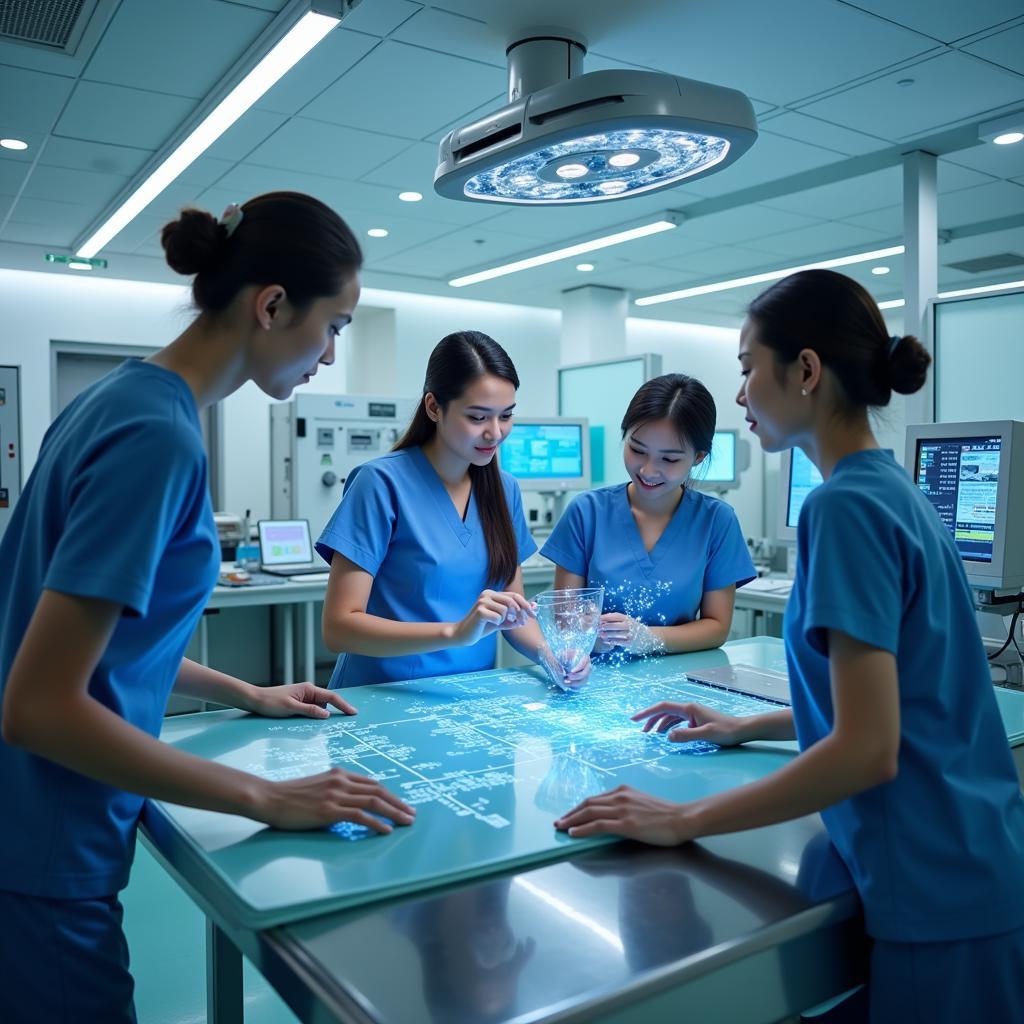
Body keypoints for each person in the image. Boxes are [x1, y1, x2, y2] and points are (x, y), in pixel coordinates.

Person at [555, 269, 1024, 1022]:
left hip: (934, 881)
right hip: (965, 860)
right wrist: (747, 725)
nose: (739, 394)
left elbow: (869, 749)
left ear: (804, 371)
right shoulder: (893, 490)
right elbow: (883, 704)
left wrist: (684, 821)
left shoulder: (842, 509)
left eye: (746, 368)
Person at [0, 192, 415, 1024]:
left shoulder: (114, 401)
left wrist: (247, 693)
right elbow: (40, 707)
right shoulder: (158, 439)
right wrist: (267, 798)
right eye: (334, 325)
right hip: (45, 842)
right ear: (271, 305)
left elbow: (101, 645)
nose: (332, 356)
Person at [318, 330, 589, 688]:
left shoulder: (504, 489)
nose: (495, 433)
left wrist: (552, 655)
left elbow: (515, 612)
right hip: (381, 697)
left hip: (468, 696)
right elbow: (339, 628)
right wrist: (455, 633)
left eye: (506, 416)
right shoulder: (380, 484)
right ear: (434, 407)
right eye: (478, 418)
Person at [541, 373, 755, 658]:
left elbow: (716, 627)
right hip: (593, 679)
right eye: (637, 450)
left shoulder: (716, 521)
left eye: (669, 459)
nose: (648, 470)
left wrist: (646, 637)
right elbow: (565, 622)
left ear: (699, 457)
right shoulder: (587, 512)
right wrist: (592, 637)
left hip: (678, 680)